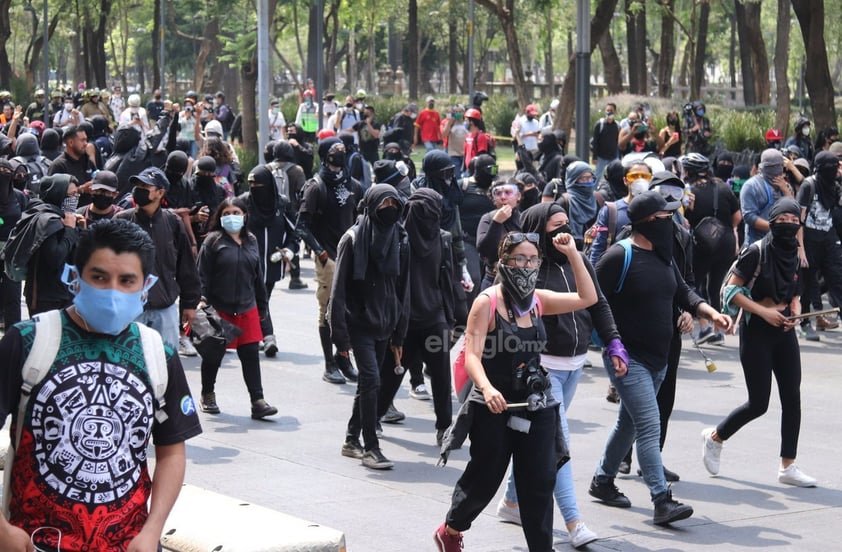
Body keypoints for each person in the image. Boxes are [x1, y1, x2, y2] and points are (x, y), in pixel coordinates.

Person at [0, 217, 202, 550]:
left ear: (145, 286)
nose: (113, 292)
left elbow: (171, 452)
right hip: (36, 542)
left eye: (127, 281)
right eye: (99, 277)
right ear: (75, 279)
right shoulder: (27, 341)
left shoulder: (157, 353)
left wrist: (153, 530)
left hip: (126, 543)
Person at [434, 230, 598, 552]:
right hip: (494, 404)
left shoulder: (538, 300)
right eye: (520, 259)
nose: (527, 265)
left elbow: (586, 297)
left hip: (536, 404)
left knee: (539, 482)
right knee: (485, 478)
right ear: (504, 261)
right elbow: (472, 356)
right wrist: (486, 388)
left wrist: (574, 254)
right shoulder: (487, 303)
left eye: (533, 259)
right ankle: (450, 530)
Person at [590, 190, 731, 526]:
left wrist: (707, 312)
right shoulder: (618, 256)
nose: (673, 222)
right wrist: (610, 345)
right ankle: (661, 499)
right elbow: (592, 300)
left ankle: (602, 480)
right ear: (649, 222)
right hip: (628, 358)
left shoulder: (664, 255)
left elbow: (682, 291)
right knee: (649, 426)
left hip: (659, 358)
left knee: (629, 423)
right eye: (667, 217)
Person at [496, 203, 626, 549]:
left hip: (575, 366)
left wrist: (613, 341)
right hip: (542, 369)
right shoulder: (529, 269)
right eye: (555, 227)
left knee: (539, 442)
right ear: (539, 231)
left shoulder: (577, 260)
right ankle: (573, 521)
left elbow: (596, 303)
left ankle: (511, 503)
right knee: (558, 444)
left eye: (567, 224)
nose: (563, 232)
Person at [706, 197, 816, 487]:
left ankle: (787, 466)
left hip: (784, 331)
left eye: (795, 221)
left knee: (792, 397)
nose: (790, 226)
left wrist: (794, 308)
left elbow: (796, 291)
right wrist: (764, 312)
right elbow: (731, 292)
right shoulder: (756, 252)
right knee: (759, 403)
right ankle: (716, 437)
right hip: (757, 331)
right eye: (784, 220)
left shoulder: (794, 252)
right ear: (773, 220)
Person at [334, 184, 410, 470]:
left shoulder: (401, 238)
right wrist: (339, 337)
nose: (389, 208)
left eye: (394, 203)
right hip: (360, 322)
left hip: (386, 323)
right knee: (373, 381)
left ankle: (351, 439)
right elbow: (338, 291)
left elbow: (404, 289)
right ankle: (371, 447)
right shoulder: (353, 239)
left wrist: (400, 332)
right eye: (383, 203)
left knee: (369, 381)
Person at [376, 188, 456, 445]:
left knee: (442, 376)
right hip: (404, 321)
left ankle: (444, 426)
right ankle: (373, 417)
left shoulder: (442, 239)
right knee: (392, 373)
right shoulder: (399, 238)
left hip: (435, 319)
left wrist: (452, 319)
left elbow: (447, 280)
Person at [197, 196, 278, 419]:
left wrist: (262, 308)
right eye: (226, 214)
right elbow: (201, 275)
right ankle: (207, 394)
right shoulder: (213, 241)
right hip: (219, 309)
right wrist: (201, 300)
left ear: (245, 216)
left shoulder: (251, 240)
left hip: (247, 307)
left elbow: (257, 277)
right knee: (213, 355)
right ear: (220, 218)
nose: (231, 217)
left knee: (250, 354)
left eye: (236, 213)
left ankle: (257, 401)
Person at [295, 137, 362, 384]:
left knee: (352, 310)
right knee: (328, 311)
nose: (341, 154)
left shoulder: (354, 184)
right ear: (325, 155)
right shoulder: (316, 186)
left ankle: (344, 356)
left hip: (352, 256)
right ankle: (329, 364)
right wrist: (322, 254)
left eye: (343, 150)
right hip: (329, 258)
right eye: (335, 151)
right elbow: (301, 227)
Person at [116, 167, 201, 350]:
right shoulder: (122, 221)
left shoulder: (173, 222)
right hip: (129, 309)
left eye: (145, 186)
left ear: (160, 193)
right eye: (137, 185)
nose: (138, 189)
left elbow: (186, 266)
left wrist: (189, 304)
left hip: (165, 309)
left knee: (166, 365)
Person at [680, 153, 741, 344]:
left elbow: (684, 219)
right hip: (726, 243)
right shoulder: (723, 187)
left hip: (702, 245)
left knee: (694, 284)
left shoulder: (689, 192)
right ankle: (719, 330)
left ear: (689, 171)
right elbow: (737, 216)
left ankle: (705, 326)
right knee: (716, 287)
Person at [15, 175, 82, 315]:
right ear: (58, 194)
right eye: (71, 195)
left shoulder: (63, 217)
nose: (75, 199)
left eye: (77, 194)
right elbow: (55, 258)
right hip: (47, 298)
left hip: (64, 293)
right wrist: (69, 230)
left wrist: (79, 230)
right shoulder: (47, 220)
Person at [796, 151, 842, 338]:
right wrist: (801, 250)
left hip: (828, 239)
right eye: (833, 167)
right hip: (809, 240)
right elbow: (799, 221)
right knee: (808, 283)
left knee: (837, 279)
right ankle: (806, 322)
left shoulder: (833, 185)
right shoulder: (809, 186)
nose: (836, 171)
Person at [0, 160, 28, 328]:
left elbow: (25, 221)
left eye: (6, 171)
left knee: (13, 295)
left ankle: (14, 335)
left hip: (11, 251)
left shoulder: (18, 196)